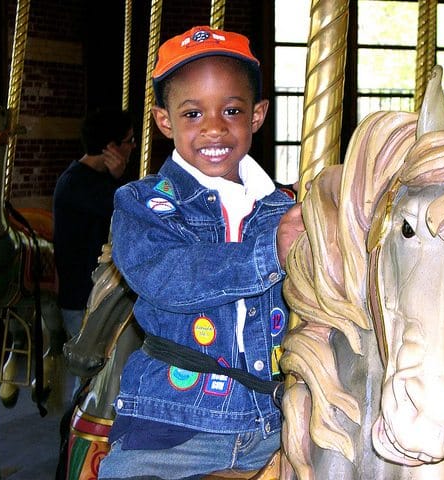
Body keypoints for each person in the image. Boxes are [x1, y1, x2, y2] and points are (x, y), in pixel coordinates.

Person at [97, 26, 305, 479]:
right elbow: (169, 277)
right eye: (193, 114)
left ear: (257, 115)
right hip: (171, 428)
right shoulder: (143, 204)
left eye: (232, 109)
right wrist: (268, 253)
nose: (214, 127)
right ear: (164, 120)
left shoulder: (285, 208)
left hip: (278, 422)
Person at [53, 108, 135, 344]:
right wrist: (119, 177)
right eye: (129, 141)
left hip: (96, 294)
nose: (133, 146)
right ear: (111, 147)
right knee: (93, 376)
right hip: (84, 298)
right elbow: (128, 212)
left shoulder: (93, 180)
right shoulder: (78, 184)